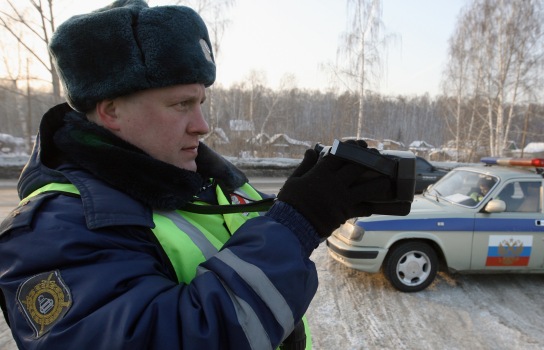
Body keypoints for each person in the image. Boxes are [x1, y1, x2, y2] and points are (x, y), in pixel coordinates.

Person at [0, 1, 407, 349]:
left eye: (201, 102)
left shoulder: (203, 180)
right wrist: (297, 224)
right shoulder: (51, 230)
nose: (202, 125)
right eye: (181, 104)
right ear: (110, 110)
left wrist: (298, 207)